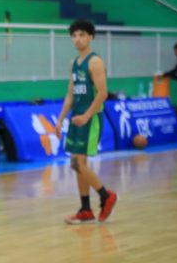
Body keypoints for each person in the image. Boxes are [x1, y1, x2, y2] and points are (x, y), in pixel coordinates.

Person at [54, 20, 118, 225]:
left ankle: (106, 195)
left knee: (78, 163)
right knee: (77, 165)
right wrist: (60, 119)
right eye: (74, 35)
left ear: (91, 37)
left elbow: (103, 93)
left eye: (82, 35)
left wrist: (87, 115)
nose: (77, 39)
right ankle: (85, 210)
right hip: (77, 118)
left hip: (90, 119)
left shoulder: (95, 62)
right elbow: (70, 94)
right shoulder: (74, 63)